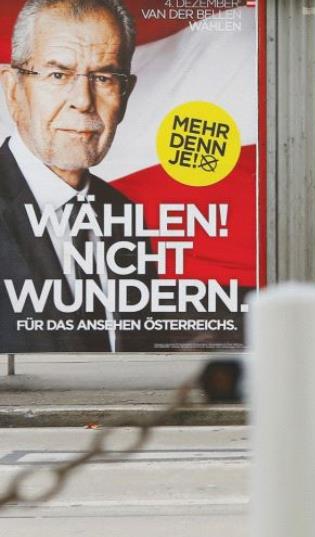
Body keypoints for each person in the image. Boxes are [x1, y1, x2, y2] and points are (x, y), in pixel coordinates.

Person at [0, 0, 142, 352]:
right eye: (58, 74)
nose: (83, 100)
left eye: (103, 77)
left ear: (125, 94)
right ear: (14, 88)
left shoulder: (124, 214)